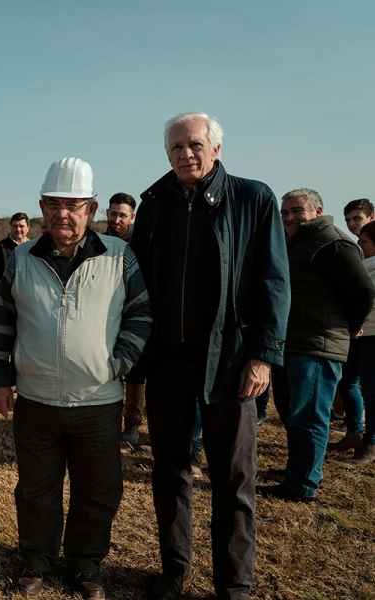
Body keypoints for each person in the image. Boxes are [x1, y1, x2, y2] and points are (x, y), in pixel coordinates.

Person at [128, 112, 290, 600]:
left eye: (195, 145)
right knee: (169, 469)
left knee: (233, 477)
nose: (185, 154)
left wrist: (263, 355)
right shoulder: (154, 203)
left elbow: (275, 283)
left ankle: (234, 583)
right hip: (169, 361)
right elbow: (139, 286)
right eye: (176, 148)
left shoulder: (253, 198)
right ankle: (173, 571)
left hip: (232, 360)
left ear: (216, 148)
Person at [0, 158, 151, 599]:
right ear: (42, 206)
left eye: (74, 205)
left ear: (92, 207)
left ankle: (85, 565)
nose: (64, 213)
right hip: (36, 400)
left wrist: (117, 363)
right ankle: (36, 560)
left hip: (98, 400)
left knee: (98, 490)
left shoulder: (119, 256)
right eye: (55, 204)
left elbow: (140, 315)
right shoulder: (21, 258)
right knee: (36, 489)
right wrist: (0, 378)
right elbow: (1, 320)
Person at [259, 189, 375, 501]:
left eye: (296, 211)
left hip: (317, 343)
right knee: (293, 415)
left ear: (317, 210)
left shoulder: (331, 242)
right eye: (284, 212)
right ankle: (299, 471)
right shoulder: (295, 242)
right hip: (291, 342)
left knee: (310, 417)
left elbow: (362, 289)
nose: (289, 218)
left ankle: (302, 487)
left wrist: (352, 325)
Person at [104, 192, 144, 443]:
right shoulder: (96, 239)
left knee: (135, 372)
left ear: (131, 217)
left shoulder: (140, 241)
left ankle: (132, 422)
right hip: (105, 311)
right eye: (113, 213)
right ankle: (107, 419)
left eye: (122, 215)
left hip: (133, 310)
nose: (116, 219)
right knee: (107, 366)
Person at [345, 221, 375, 464]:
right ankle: (354, 432)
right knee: (347, 383)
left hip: (373, 337)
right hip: (356, 335)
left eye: (364, 241)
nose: (360, 245)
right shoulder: (361, 265)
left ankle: (370, 444)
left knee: (371, 392)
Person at [0, 212, 29, 295]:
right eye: (15, 226)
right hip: (4, 298)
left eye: (21, 226)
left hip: (28, 297)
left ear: (28, 228)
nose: (18, 229)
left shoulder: (34, 248)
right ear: (11, 227)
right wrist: (4, 288)